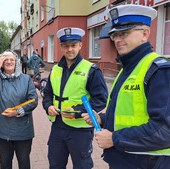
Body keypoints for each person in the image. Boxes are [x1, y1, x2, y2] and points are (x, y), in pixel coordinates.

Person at [82, 4, 170, 169]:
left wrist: (114, 138)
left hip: (147, 163)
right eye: (114, 34)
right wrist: (102, 118)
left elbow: (165, 130)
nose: (117, 40)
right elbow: (128, 112)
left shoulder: (158, 70)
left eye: (124, 33)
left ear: (145, 34)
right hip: (124, 159)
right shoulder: (128, 67)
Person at [42, 27, 108, 169]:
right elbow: (47, 93)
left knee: (82, 166)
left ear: (80, 45)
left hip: (80, 130)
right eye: (66, 46)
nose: (69, 49)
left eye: (73, 45)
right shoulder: (55, 69)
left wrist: (77, 111)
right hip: (58, 127)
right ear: (61, 47)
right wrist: (48, 106)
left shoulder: (91, 70)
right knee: (55, 164)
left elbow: (101, 99)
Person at [0, 51, 38, 169]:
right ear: (2, 63)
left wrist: (17, 111)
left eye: (12, 59)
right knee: (5, 162)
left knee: (24, 161)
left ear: (17, 62)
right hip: (2, 128)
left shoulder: (26, 79)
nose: (9, 62)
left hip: (23, 128)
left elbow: (33, 100)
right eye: (5, 59)